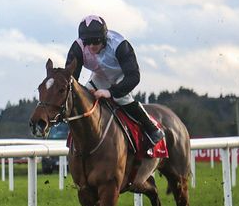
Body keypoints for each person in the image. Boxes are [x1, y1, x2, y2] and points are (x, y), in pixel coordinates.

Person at [65, 15, 165, 146]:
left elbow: (134, 76)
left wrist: (111, 92)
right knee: (84, 97)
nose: (91, 46)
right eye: (87, 42)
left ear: (104, 38)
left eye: (95, 41)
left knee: (120, 99)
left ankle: (152, 129)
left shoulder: (120, 45)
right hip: (100, 75)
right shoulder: (77, 47)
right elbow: (71, 79)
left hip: (122, 75)